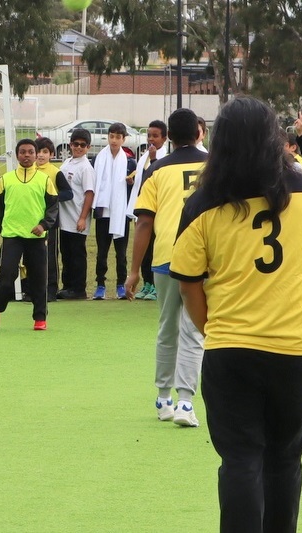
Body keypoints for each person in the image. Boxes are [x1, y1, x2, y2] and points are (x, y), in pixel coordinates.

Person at [170, 96, 302, 532]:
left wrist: (211, 325)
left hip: (230, 348)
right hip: (295, 349)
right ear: (274, 137)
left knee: (241, 458)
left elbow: (188, 281)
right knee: (285, 458)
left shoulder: (204, 203)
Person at [125, 107, 207, 427]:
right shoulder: (215, 165)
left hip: (165, 257)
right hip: (203, 257)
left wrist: (134, 271)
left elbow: (145, 222)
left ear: (168, 136)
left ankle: (163, 398)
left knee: (167, 327)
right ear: (199, 133)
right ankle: (185, 402)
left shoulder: (156, 169)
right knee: (193, 329)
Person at [0, 139, 59, 331]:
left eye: (30, 152)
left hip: (36, 238)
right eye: (23, 152)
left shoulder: (44, 180)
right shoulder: (5, 179)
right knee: (6, 274)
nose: (27, 155)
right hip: (12, 236)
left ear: (35, 155)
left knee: (38, 278)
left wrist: (43, 225)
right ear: (17, 155)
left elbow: (53, 207)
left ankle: (40, 317)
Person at [92, 122, 137, 300]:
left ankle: (120, 285)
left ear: (123, 139)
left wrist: (130, 184)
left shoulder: (130, 162)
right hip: (104, 211)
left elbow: (135, 188)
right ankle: (100, 285)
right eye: (112, 136)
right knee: (102, 251)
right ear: (108, 137)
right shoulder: (98, 159)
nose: (114, 140)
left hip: (120, 213)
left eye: (118, 137)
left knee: (121, 252)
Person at [127, 119, 168, 302]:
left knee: (154, 249)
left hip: (157, 211)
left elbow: (157, 176)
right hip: (143, 207)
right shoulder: (144, 154)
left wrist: (153, 159)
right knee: (143, 248)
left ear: (165, 138)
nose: (151, 139)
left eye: (155, 136)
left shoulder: (164, 156)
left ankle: (156, 285)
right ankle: (147, 284)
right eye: (149, 135)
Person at [56, 129, 96, 300]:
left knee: (77, 255)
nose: (78, 148)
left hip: (76, 219)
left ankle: (79, 289)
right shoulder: (67, 163)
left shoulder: (86, 168)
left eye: (82, 145)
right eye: (75, 144)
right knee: (66, 254)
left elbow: (89, 193)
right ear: (70, 145)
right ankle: (68, 286)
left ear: (88, 147)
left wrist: (82, 218)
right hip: (64, 219)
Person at [35, 137, 73, 302]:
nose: (41, 155)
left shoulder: (55, 172)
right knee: (32, 256)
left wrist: (52, 197)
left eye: (45, 152)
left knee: (49, 256)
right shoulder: (28, 170)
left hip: (49, 221)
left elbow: (68, 193)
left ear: (51, 154)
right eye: (38, 151)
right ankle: (31, 290)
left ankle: (51, 290)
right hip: (30, 220)